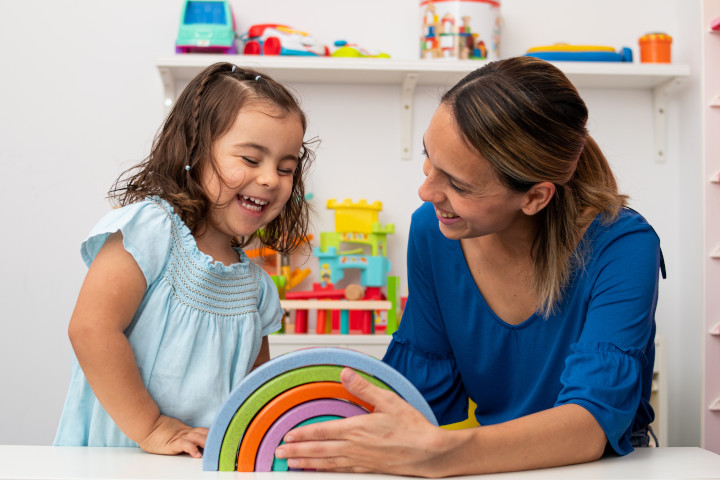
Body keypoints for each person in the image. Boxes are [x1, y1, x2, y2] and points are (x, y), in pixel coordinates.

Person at [274, 56, 664, 476]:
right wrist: (306, 426)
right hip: (487, 467)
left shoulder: (624, 246)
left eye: (458, 184)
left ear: (535, 197)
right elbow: (419, 397)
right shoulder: (432, 232)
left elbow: (591, 424)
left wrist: (442, 454)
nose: (426, 191)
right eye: (429, 158)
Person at [54, 62, 315, 458]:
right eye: (250, 159)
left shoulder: (256, 288)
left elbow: (253, 393)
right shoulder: (150, 230)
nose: (270, 179)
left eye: (285, 168)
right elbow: (91, 330)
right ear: (194, 150)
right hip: (116, 456)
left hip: (200, 462)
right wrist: (152, 427)